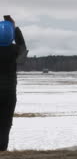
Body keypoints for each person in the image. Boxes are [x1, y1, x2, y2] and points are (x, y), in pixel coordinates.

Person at [0, 16, 27, 151]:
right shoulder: (14, 50)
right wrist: (14, 28)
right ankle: (2, 150)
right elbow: (23, 47)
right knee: (6, 124)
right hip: (9, 94)